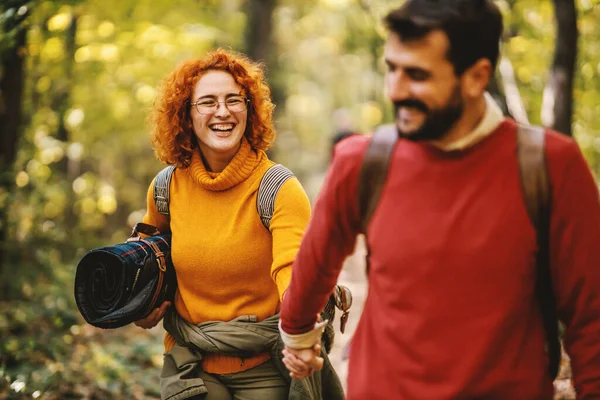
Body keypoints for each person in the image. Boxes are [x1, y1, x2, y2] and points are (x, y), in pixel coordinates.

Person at [278, 1, 600, 399]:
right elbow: (312, 270)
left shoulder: (551, 166)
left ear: (476, 76)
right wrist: (299, 339)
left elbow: (592, 316)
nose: (395, 90)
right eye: (392, 68)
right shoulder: (362, 162)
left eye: (417, 75)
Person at [134, 49, 343, 399]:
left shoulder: (277, 188)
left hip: (264, 368)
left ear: (250, 109)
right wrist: (141, 305)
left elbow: (296, 275)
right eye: (207, 102)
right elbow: (142, 259)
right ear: (186, 113)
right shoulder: (165, 189)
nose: (223, 111)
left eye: (234, 100)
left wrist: (304, 336)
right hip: (190, 365)